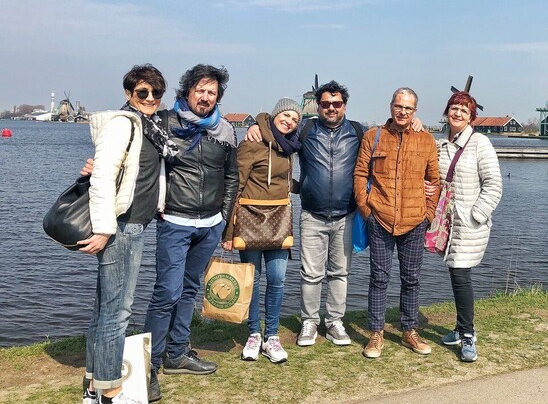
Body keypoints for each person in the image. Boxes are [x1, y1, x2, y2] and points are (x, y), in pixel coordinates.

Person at [244, 80, 425, 349]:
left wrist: (414, 122)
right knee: (311, 273)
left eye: (336, 103)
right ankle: (309, 321)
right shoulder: (305, 130)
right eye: (326, 104)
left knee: (340, 272)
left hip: (346, 214)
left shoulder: (358, 132)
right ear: (318, 105)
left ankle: (335, 321)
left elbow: (387, 137)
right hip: (312, 214)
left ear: (344, 106)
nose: (331, 108)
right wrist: (257, 125)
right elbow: (276, 134)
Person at [143, 64, 238, 402]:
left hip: (209, 224)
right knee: (166, 292)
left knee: (189, 290)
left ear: (218, 98)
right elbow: (137, 155)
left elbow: (231, 177)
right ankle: (148, 366)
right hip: (175, 223)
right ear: (187, 91)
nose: (205, 96)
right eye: (200, 90)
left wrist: (224, 218)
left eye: (212, 92)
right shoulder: (166, 122)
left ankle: (177, 353)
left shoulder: (225, 132)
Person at [81, 65, 174, 404]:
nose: (150, 99)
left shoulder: (150, 128)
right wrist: (105, 229)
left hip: (136, 224)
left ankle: (93, 387)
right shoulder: (123, 124)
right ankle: (112, 391)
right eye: (142, 93)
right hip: (122, 227)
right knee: (118, 312)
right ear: (129, 93)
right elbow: (102, 177)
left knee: (104, 308)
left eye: (156, 93)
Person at [353, 87, 440, 359]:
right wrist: (366, 209)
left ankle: (409, 329)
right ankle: (376, 333)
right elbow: (359, 173)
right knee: (379, 278)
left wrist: (428, 214)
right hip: (380, 217)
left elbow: (434, 181)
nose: (403, 112)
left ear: (415, 111)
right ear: (391, 106)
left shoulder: (426, 141)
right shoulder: (373, 136)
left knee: (411, 279)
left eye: (408, 108)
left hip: (414, 221)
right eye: (398, 106)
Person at [223, 98, 302, 363]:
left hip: (279, 218)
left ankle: (272, 336)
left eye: (295, 119)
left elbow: (286, 182)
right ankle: (254, 334)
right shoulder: (252, 142)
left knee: (277, 280)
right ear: (276, 114)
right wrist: (229, 232)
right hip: (251, 219)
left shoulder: (289, 147)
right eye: (286, 115)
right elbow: (236, 185)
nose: (290, 121)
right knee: (252, 280)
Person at [436, 92, 502, 362]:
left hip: (469, 222)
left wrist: (477, 214)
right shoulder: (442, 144)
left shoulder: (480, 143)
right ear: (447, 112)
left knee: (461, 275)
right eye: (454, 108)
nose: (458, 113)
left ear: (472, 116)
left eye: (464, 110)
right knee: (455, 274)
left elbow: (494, 184)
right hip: (448, 223)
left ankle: (467, 335)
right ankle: (459, 327)